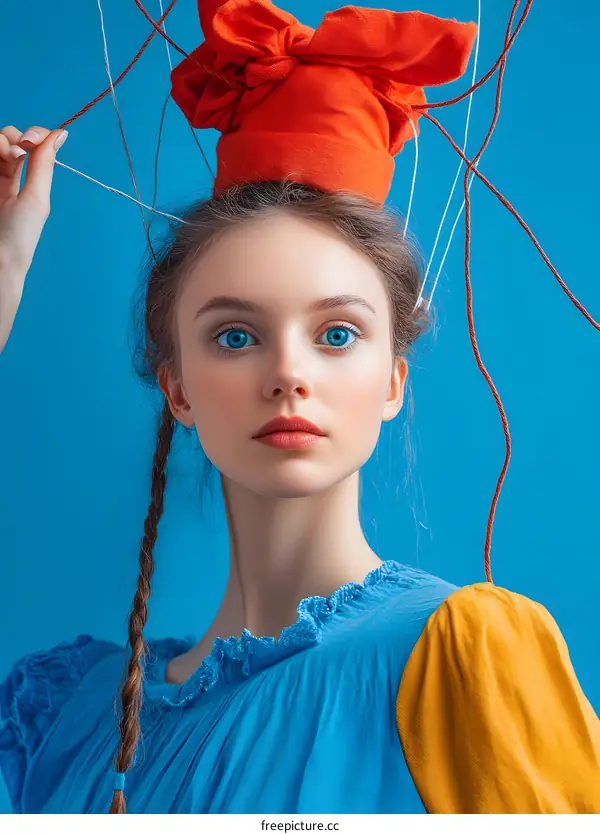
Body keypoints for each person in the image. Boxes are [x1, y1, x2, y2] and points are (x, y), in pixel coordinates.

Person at [1, 0, 599, 816]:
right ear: (176, 386)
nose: (288, 374)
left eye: (338, 333)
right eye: (237, 337)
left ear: (394, 379)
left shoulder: (463, 657)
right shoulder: (66, 713)